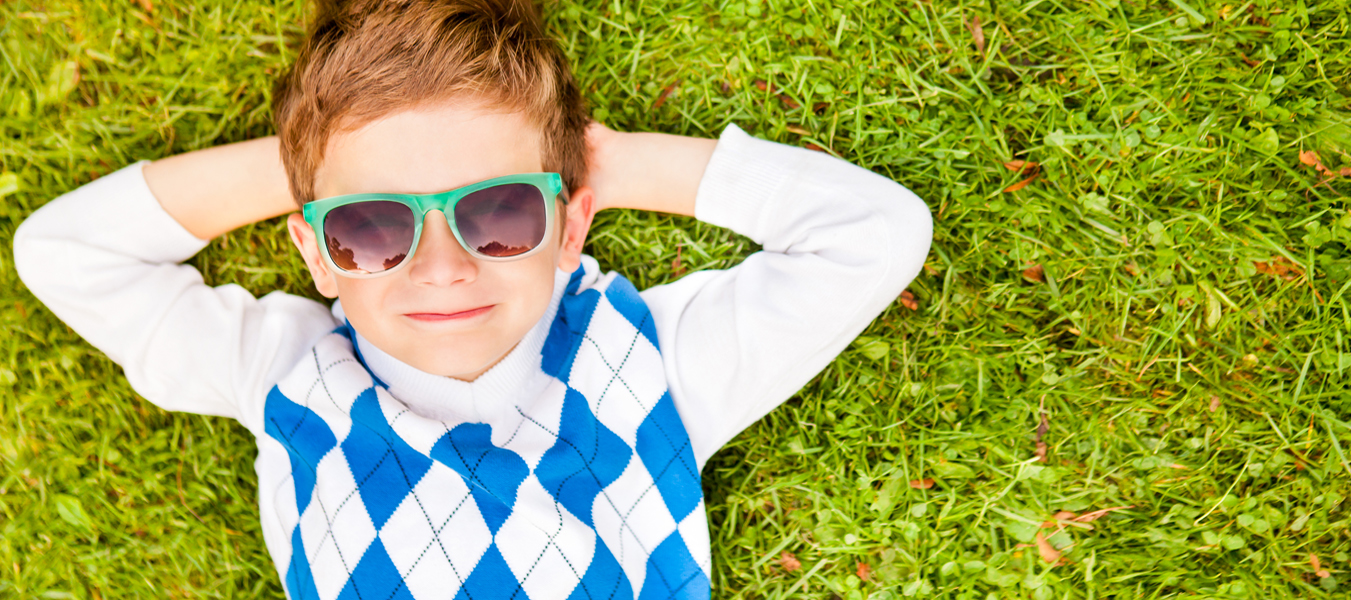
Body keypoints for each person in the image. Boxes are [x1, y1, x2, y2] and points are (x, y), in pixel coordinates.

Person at [12, 0, 932, 597]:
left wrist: (607, 163)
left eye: (498, 213)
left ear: (571, 228)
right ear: (317, 253)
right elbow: (59, 251)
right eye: (371, 228)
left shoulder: (656, 363)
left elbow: (876, 236)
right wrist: (314, 158)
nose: (442, 269)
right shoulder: (285, 372)